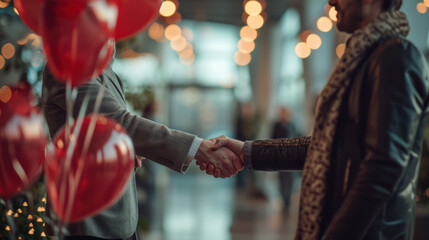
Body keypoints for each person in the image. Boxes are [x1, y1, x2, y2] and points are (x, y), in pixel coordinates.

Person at [202, 0, 429, 239]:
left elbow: (383, 169)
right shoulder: (365, 59)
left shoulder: (395, 58)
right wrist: (247, 152)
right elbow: (325, 147)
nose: (331, 2)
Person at [42, 57, 243, 239]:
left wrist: (128, 149)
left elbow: (104, 133)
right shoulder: (68, 68)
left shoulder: (107, 73)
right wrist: (197, 147)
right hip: (86, 223)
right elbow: (118, 122)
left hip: (117, 221)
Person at [271, 107, 298, 212]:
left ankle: (288, 200)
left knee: (290, 179)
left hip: (291, 157)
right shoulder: (276, 125)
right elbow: (272, 139)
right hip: (280, 157)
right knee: (282, 180)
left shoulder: (292, 125)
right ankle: (284, 198)